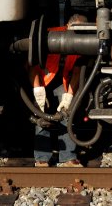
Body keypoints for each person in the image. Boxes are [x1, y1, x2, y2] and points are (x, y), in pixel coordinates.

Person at [30, 14, 87, 167]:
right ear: (68, 26)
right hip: (44, 81)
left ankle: (68, 157)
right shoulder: (50, 35)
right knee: (41, 113)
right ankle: (42, 157)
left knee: (68, 115)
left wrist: (68, 96)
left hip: (64, 81)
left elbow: (77, 72)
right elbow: (32, 65)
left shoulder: (83, 41)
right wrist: (38, 91)